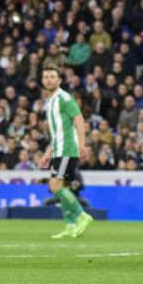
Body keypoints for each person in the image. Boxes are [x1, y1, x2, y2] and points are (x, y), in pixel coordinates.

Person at [39, 63, 93, 239]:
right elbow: (57, 132)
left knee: (54, 186)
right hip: (59, 149)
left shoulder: (64, 98)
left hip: (67, 149)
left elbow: (79, 120)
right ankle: (70, 225)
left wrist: (82, 145)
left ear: (59, 80)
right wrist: (48, 153)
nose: (49, 80)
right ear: (42, 80)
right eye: (46, 77)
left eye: (52, 76)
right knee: (63, 187)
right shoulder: (51, 101)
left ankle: (81, 215)